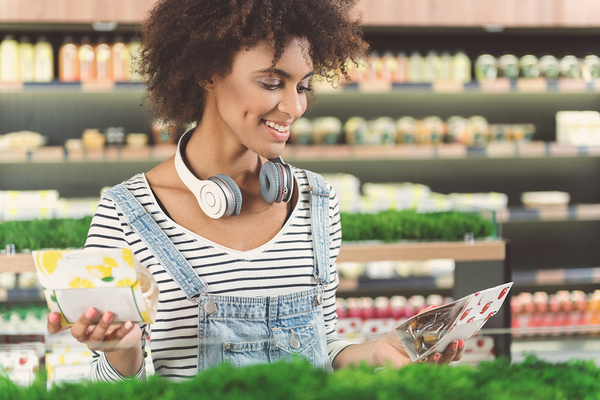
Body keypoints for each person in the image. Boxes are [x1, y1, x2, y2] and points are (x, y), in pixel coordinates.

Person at [47, 0, 463, 382]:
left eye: (302, 86)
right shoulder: (125, 214)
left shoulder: (318, 202)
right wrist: (124, 354)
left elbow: (324, 347)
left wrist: (376, 353)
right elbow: (106, 384)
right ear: (206, 71)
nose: (295, 107)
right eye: (271, 82)